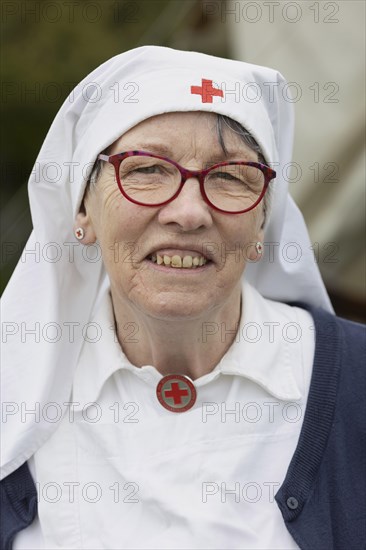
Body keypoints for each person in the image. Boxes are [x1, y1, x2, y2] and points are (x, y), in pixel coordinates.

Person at [1, 46, 364, 550]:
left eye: (231, 177)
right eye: (147, 170)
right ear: (81, 209)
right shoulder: (10, 390)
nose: (188, 212)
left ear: (263, 221)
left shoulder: (354, 382)